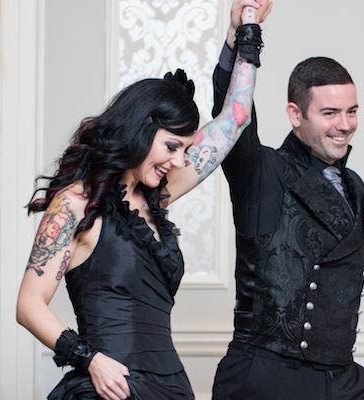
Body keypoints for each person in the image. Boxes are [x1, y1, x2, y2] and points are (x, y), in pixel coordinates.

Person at [15, 2, 270, 399]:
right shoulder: (76, 204)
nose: (179, 160)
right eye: (171, 146)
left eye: (185, 150)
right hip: (110, 386)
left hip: (171, 389)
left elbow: (234, 119)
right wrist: (90, 359)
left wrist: (244, 34)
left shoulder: (157, 198)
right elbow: (29, 305)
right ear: (140, 130)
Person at [210, 19, 364, 400]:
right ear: (295, 115)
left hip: (339, 382)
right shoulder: (263, 172)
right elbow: (233, 115)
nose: (345, 125)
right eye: (330, 113)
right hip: (267, 378)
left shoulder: (353, 185)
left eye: (352, 111)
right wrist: (243, 36)